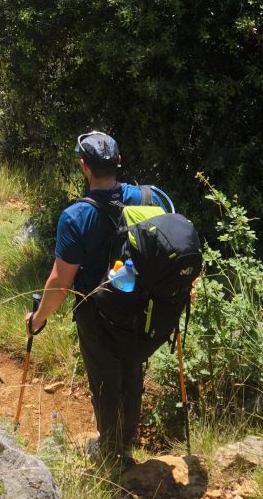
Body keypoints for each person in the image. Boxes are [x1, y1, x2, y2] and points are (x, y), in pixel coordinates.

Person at [26, 130, 169, 472]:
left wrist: (38, 319)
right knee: (132, 372)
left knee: (105, 383)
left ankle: (111, 456)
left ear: (83, 166)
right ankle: (124, 445)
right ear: (118, 162)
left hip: (96, 313)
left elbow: (60, 283)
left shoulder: (75, 217)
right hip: (138, 308)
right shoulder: (146, 199)